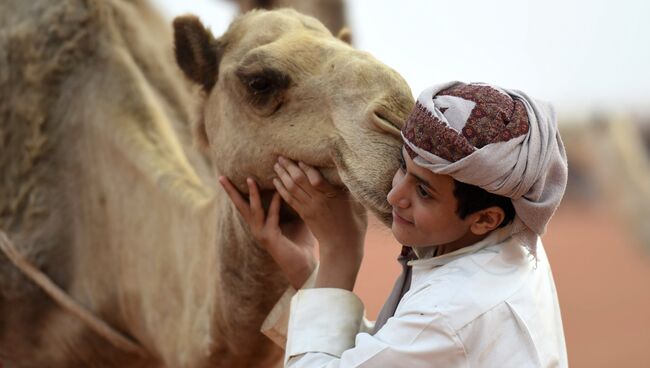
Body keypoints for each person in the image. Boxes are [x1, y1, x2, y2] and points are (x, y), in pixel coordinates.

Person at [219, 81, 568, 367]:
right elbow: (388, 351)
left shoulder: (449, 313)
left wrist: (341, 249)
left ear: (484, 218)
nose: (394, 196)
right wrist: (308, 274)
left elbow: (422, 336)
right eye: (404, 167)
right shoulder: (509, 242)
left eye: (424, 192)